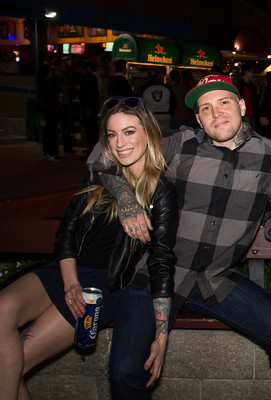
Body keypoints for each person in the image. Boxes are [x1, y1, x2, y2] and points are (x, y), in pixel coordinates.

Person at [88, 74, 271, 399]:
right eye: (206, 108)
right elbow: (102, 155)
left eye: (224, 102)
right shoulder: (180, 144)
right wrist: (125, 198)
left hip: (217, 278)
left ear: (242, 106)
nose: (216, 113)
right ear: (198, 119)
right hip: (157, 274)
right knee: (124, 370)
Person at [0, 97, 178, 399]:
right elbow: (67, 232)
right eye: (112, 134)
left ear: (148, 134)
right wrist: (70, 282)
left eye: (129, 132)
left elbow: (161, 262)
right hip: (65, 271)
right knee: (3, 308)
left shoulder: (161, 192)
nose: (120, 143)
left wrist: (161, 338)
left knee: (13, 364)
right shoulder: (101, 176)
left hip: (101, 286)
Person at [136, 66, 176, 133]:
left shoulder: (144, 88)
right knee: (165, 135)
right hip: (165, 114)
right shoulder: (166, 88)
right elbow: (173, 103)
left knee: (151, 134)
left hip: (150, 115)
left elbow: (137, 103)